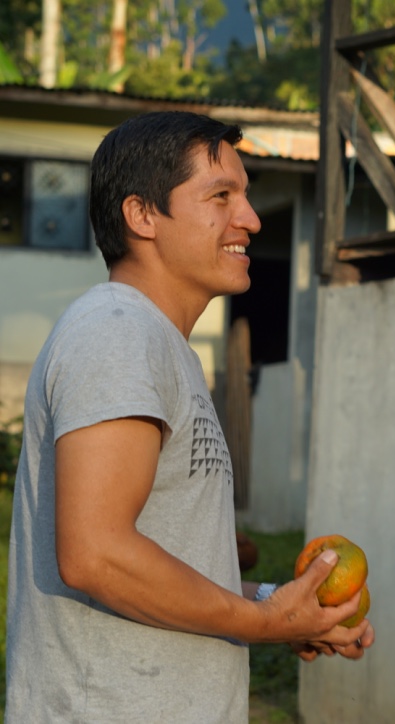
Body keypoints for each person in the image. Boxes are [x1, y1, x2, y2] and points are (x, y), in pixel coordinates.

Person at [5, 111, 375, 722]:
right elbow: (96, 553)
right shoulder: (117, 332)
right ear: (141, 215)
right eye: (221, 196)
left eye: (247, 196)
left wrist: (283, 606)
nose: (250, 220)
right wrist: (262, 620)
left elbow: (169, 562)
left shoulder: (157, 346)